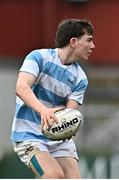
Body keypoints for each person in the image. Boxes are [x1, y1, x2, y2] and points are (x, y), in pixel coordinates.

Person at [10, 18, 95, 179]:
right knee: (54, 175)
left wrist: (71, 124)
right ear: (74, 42)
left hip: (57, 138)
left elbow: (70, 113)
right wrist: (44, 111)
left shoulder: (80, 78)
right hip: (28, 135)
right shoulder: (39, 57)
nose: (93, 46)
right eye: (89, 40)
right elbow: (21, 88)